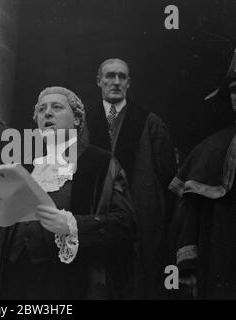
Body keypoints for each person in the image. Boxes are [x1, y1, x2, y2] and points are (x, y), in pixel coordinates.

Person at [0, 86, 137, 299]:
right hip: (11, 279)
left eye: (57, 107)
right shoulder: (21, 166)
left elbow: (126, 224)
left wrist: (73, 225)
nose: (47, 113)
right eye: (41, 109)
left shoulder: (102, 164)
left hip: (67, 283)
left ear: (76, 119)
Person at [87, 58, 177, 299]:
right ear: (99, 81)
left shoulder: (151, 123)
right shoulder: (82, 122)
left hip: (140, 220)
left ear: (129, 83)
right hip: (95, 218)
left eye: (122, 76)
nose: (116, 82)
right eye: (109, 76)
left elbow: (167, 176)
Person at [169, 49, 236, 299]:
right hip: (222, 259)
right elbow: (188, 219)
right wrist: (187, 268)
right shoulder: (209, 150)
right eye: (234, 89)